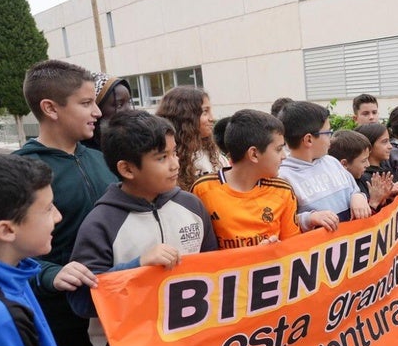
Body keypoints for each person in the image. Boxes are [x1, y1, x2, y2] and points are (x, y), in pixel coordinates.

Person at [67, 111, 218, 346]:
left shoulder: (192, 206)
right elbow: (82, 300)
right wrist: (137, 267)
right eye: (161, 157)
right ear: (127, 169)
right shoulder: (101, 223)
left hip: (189, 342)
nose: (175, 164)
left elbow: (215, 271)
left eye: (174, 153)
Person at [0, 154, 140, 346]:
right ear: (7, 230)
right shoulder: (0, 316)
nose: (58, 216)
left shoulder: (16, 273)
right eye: (48, 208)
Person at [14, 60, 117, 346]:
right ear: (50, 108)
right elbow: (6, 251)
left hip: (116, 313)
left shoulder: (105, 160)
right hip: (59, 323)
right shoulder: (19, 172)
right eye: (86, 103)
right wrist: (49, 273)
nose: (97, 112)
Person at [192, 109, 300, 248]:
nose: (284, 156)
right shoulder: (203, 190)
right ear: (254, 154)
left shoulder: (283, 192)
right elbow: (199, 252)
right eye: (278, 149)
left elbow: (294, 249)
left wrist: (277, 250)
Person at [278, 101, 371, 232]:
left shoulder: (331, 162)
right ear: (308, 140)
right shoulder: (284, 177)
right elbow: (283, 222)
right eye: (327, 133)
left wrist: (358, 198)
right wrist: (309, 218)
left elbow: (354, 191)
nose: (331, 139)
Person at [156, 86, 228, 191]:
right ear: (186, 117)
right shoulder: (167, 160)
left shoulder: (216, 156)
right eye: (205, 112)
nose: (212, 118)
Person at [329, 130, 394, 213]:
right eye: (364, 160)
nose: (367, 164)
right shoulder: (336, 192)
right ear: (344, 164)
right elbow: (359, 223)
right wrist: (374, 202)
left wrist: (383, 199)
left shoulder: (363, 179)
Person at [355, 122, 398, 200]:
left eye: (389, 141)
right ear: (369, 146)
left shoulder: (386, 170)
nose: (390, 146)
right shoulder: (362, 177)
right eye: (384, 142)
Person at [82, 73, 133, 151]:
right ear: (98, 107)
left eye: (129, 102)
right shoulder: (84, 148)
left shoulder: (133, 139)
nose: (129, 110)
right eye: (119, 105)